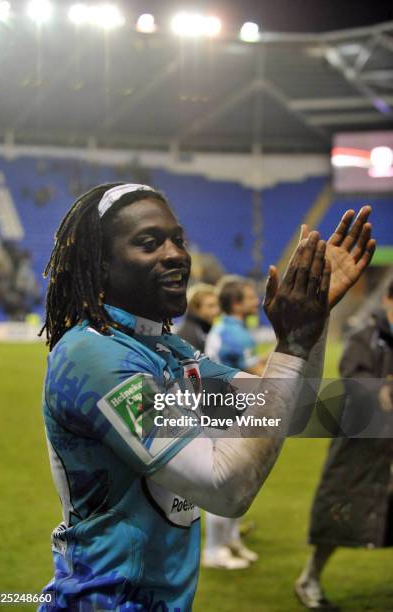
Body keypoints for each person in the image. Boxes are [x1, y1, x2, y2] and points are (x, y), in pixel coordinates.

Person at [39, 182, 374, 611]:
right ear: (101, 265)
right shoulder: (94, 356)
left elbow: (295, 408)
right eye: (149, 242)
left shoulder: (168, 350)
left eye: (178, 239)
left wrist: (312, 323)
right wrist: (289, 347)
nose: (176, 253)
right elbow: (225, 489)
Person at [295, 278, 393, 611]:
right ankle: (309, 579)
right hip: (361, 449)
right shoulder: (365, 338)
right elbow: (357, 382)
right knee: (337, 515)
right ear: (389, 302)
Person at [202, 277, 262, 569]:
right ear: (237, 303)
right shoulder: (236, 334)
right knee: (226, 483)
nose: (257, 301)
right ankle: (214, 550)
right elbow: (260, 375)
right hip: (225, 413)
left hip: (222, 408)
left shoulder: (228, 327)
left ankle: (231, 539)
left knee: (238, 482)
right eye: (251, 296)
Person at [177, 283, 220, 352]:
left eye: (218, 305)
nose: (217, 310)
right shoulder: (187, 334)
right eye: (211, 306)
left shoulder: (205, 328)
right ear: (195, 308)